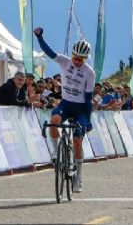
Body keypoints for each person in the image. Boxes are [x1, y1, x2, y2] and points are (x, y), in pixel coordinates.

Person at [34, 27, 95, 194]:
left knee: (77, 141)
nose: (77, 61)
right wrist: (39, 37)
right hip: (66, 105)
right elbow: (49, 52)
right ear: (72, 55)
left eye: (80, 60)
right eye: (75, 58)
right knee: (54, 121)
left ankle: (79, 175)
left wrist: (88, 119)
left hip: (80, 109)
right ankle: (55, 151)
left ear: (85, 59)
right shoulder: (64, 61)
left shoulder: (89, 73)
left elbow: (88, 98)